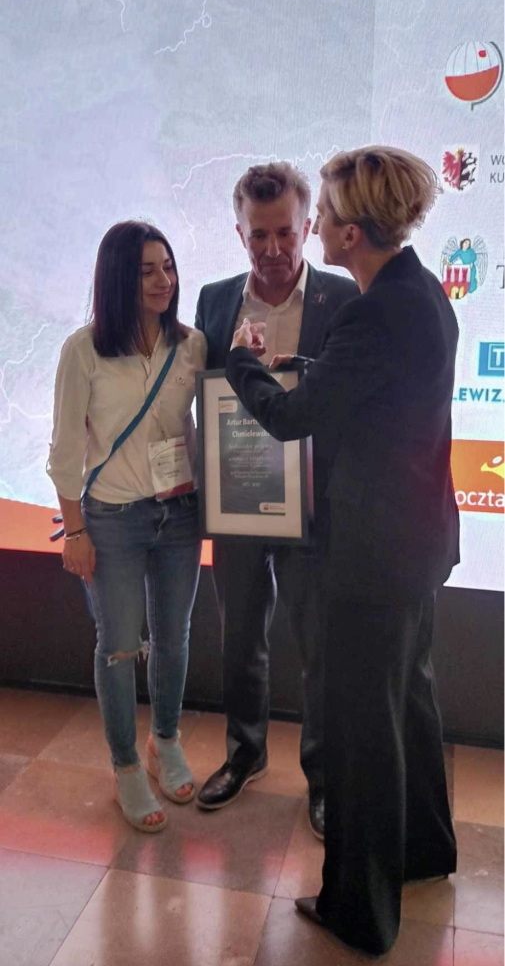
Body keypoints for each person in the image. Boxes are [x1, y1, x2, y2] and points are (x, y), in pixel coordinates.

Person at [226, 146, 459, 956]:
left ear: (349, 232)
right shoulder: (417, 292)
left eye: (320, 214)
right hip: (415, 544)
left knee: (364, 732)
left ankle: (359, 910)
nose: (314, 226)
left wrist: (243, 365)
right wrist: (302, 365)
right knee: (410, 704)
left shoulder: (369, 312)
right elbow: (365, 385)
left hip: (370, 555)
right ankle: (424, 850)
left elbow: (292, 420)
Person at [195, 162, 357, 837]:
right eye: (257, 235)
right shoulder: (213, 301)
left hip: (311, 505)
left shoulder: (343, 298)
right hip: (236, 498)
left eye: (284, 233)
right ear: (239, 232)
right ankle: (245, 754)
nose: (271, 248)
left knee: (318, 646)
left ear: (308, 226)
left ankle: (322, 778)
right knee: (239, 638)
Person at [47, 221, 206, 833]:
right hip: (112, 518)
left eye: (168, 266)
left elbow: (212, 421)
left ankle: (164, 741)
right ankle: (126, 768)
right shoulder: (82, 351)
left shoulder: (191, 344)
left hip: (180, 513)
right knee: (118, 647)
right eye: (146, 271)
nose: (164, 280)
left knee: (174, 638)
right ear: (117, 277)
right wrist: (76, 532)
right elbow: (66, 451)